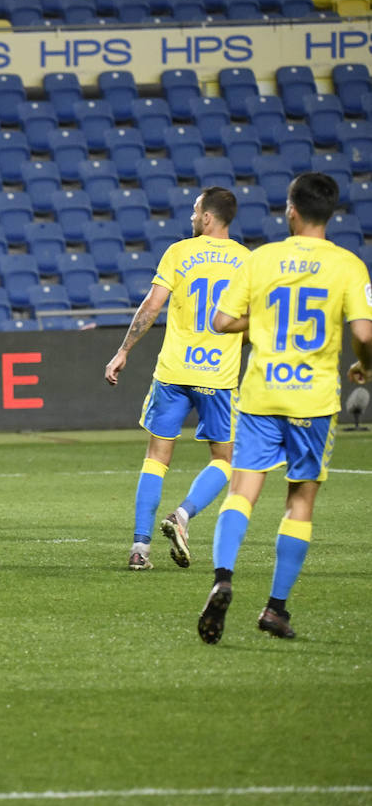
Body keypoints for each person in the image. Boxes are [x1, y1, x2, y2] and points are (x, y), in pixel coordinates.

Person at [197, 171, 372, 644]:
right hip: (313, 402)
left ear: (290, 210)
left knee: (242, 490)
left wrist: (266, 317)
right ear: (329, 213)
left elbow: (222, 319)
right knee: (300, 501)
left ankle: (223, 576)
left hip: (260, 394)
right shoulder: (350, 266)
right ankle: (275, 608)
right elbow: (364, 334)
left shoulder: (262, 259)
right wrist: (364, 367)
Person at [104, 187, 250, 572]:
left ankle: (139, 549)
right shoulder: (247, 261)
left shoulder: (179, 253)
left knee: (156, 458)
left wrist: (124, 351)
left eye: (194, 210)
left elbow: (152, 305)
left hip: (173, 371)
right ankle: (183, 514)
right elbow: (254, 321)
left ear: (207, 218)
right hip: (217, 375)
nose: (190, 217)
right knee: (226, 460)